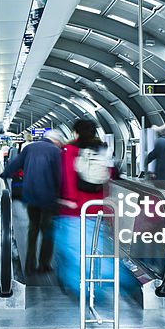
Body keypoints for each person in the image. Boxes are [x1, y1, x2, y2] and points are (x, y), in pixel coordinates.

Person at [54, 119, 120, 295]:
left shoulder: (70, 149)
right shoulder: (103, 148)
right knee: (96, 244)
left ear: (76, 132)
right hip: (99, 204)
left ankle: (80, 285)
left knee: (74, 246)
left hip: (76, 208)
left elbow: (67, 175)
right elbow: (111, 174)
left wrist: (69, 199)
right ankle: (100, 280)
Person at [0, 129, 64, 272]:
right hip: (48, 197)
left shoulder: (30, 148)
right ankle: (44, 264)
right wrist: (60, 195)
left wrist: (4, 175)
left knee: (33, 228)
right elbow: (59, 175)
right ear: (56, 141)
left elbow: (15, 164)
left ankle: (29, 264)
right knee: (48, 230)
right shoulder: (55, 152)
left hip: (30, 195)